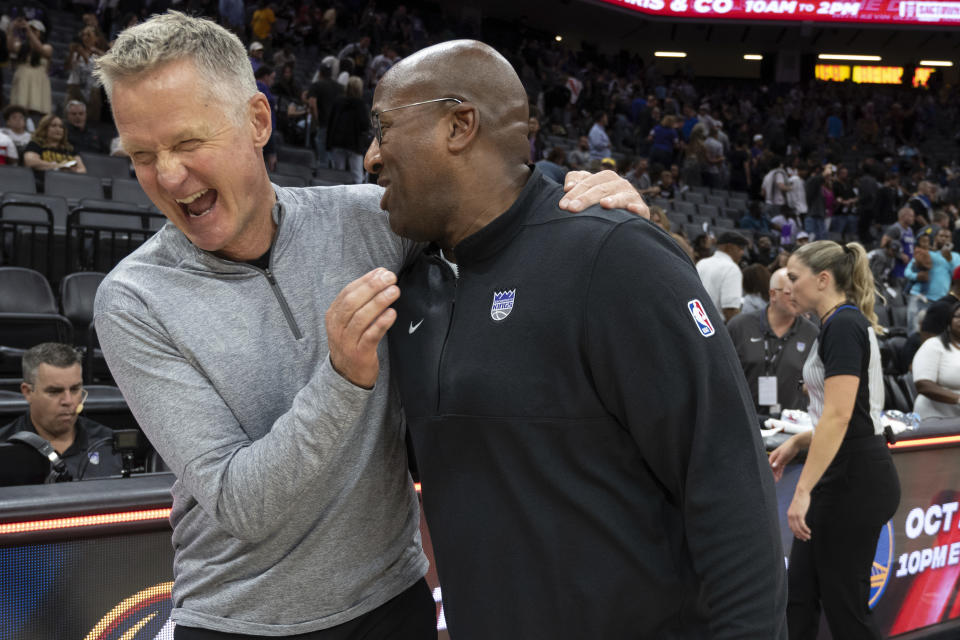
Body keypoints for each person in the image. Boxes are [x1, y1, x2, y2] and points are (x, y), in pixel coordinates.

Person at [92, 12, 646, 638]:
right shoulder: (133, 300)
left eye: (188, 143)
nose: (167, 176)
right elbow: (240, 503)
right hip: (237, 622)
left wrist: (594, 209)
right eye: (142, 155)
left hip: (393, 605)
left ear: (257, 121)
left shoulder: (371, 222)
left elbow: (497, 214)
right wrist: (342, 379)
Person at [369, 38, 787, 640]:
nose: (370, 156)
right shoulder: (411, 285)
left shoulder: (614, 255)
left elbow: (729, 490)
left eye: (384, 128)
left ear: (459, 124)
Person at [769, 240, 900, 640]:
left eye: (794, 278)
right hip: (847, 472)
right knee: (801, 595)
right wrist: (798, 441)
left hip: (854, 480)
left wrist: (802, 489)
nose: (787, 287)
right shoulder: (838, 323)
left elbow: (842, 416)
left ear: (822, 279)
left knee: (846, 608)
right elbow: (846, 414)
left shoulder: (843, 325)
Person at [0, 343, 123, 481]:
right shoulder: (4, 447)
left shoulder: (108, 443)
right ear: (28, 392)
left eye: (75, 389)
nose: (68, 401)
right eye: (55, 391)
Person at [727, 267, 819, 414]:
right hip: (746, 421)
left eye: (799, 292)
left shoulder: (812, 333)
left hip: (791, 424)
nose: (796, 298)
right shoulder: (740, 327)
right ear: (772, 294)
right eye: (789, 293)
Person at [912, 303, 960, 419]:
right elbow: (923, 385)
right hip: (934, 417)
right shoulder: (933, 345)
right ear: (949, 321)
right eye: (958, 316)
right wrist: (958, 398)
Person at [696, 230, 748, 321]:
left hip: (697, 322)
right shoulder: (732, 268)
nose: (742, 253)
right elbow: (730, 311)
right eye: (740, 248)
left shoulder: (701, 263)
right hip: (717, 327)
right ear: (729, 247)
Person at [326, 75, 369, 185]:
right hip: (354, 145)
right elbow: (365, 126)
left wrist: (328, 144)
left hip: (337, 142)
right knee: (357, 176)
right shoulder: (361, 105)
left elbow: (330, 123)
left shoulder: (338, 101)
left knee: (338, 175)